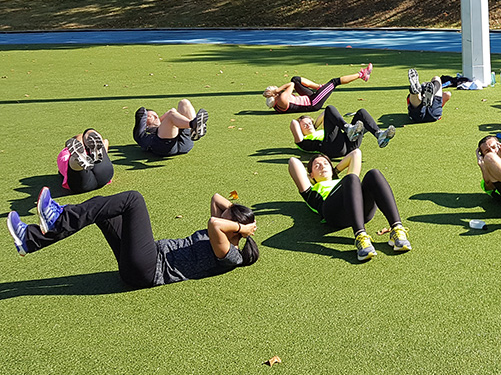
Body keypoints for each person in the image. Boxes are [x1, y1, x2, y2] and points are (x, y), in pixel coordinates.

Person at [6, 188, 258, 288]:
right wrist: (238, 220)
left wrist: (242, 228)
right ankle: (31, 239)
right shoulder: (221, 236)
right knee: (100, 207)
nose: (222, 215)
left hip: (149, 270)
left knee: (133, 200)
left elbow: (215, 222)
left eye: (230, 221)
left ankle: (55, 221)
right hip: (143, 261)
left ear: (233, 230)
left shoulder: (230, 255)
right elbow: (216, 198)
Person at [288, 150, 410, 261]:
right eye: (317, 166)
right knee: (351, 178)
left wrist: (335, 171)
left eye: (325, 163)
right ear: (311, 175)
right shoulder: (311, 191)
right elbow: (293, 162)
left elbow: (356, 153)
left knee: (373, 174)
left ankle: (397, 230)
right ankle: (360, 237)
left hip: (361, 212)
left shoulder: (344, 181)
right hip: (334, 214)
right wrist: (310, 178)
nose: (322, 166)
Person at [290, 105, 395, 156]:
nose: (308, 125)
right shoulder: (303, 141)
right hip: (333, 149)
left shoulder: (320, 131)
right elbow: (293, 123)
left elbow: (324, 115)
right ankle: (347, 128)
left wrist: (315, 125)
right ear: (300, 130)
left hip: (349, 145)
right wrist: (301, 121)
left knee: (361, 113)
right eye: (304, 125)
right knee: (329, 109)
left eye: (309, 123)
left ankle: (379, 135)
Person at [263, 65, 373, 113]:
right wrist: (278, 90)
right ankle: (362, 74)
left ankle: (319, 87)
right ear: (275, 95)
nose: (278, 90)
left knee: (296, 79)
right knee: (334, 82)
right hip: (313, 102)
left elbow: (294, 81)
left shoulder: (277, 106)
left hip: (308, 98)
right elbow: (291, 85)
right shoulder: (282, 98)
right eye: (276, 90)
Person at [133, 100, 208, 156]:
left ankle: (195, 129)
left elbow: (172, 110)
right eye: (150, 116)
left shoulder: (164, 123)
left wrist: (159, 120)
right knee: (171, 116)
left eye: (156, 115)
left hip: (185, 143)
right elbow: (141, 115)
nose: (156, 117)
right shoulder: (145, 132)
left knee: (184, 102)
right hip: (164, 146)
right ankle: (193, 125)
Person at [58, 129, 113, 194]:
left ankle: (77, 160)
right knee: (89, 132)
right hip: (105, 175)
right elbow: (106, 141)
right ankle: (90, 132)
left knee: (73, 164)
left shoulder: (65, 152)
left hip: (81, 184)